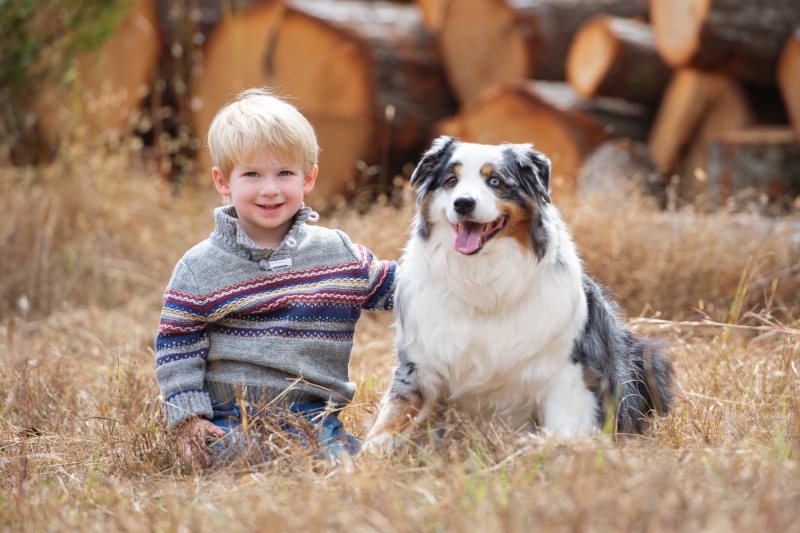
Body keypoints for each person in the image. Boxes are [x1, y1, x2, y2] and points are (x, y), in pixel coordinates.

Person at [154, 87, 396, 466]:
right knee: (232, 461)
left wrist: (461, 273)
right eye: (251, 174)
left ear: (308, 178)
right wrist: (189, 417)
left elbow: (399, 287)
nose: (270, 189)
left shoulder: (337, 253)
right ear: (223, 182)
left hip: (315, 418)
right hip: (233, 416)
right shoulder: (200, 268)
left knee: (346, 469)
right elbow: (177, 346)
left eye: (285, 173)